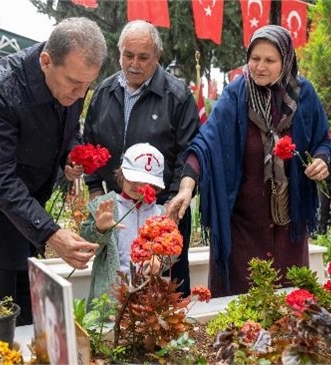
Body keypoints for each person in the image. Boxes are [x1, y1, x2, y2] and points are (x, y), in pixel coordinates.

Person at [0, 17, 106, 326]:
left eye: (88, 87)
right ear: (46, 61)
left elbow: (69, 130)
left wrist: (71, 156)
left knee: (28, 293)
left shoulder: (71, 83)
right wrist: (50, 232)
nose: (79, 95)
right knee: (1, 302)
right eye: (74, 85)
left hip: (29, 200)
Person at [167, 25, 331, 298]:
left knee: (287, 308)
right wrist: (186, 188)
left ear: (287, 60)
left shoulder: (305, 95)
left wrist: (322, 161)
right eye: (255, 58)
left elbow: (322, 141)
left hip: (288, 228)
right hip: (243, 229)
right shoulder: (236, 94)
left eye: (270, 60)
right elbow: (205, 144)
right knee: (242, 312)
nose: (260, 67)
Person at [83, 20, 199, 296]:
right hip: (118, 208)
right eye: (128, 55)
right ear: (119, 52)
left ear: (157, 57)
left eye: (143, 57)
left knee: (166, 291)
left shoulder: (178, 96)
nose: (134, 64)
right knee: (117, 287)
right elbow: (89, 140)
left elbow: (189, 151)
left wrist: (171, 207)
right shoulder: (104, 91)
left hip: (162, 210)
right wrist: (95, 189)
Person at [82, 143, 165, 308]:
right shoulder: (106, 206)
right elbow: (86, 247)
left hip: (145, 297)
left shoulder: (159, 213)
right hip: (109, 297)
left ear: (155, 186)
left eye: (145, 182)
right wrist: (99, 229)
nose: (137, 186)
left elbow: (171, 252)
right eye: (131, 178)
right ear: (121, 174)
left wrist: (160, 258)